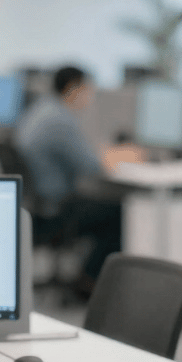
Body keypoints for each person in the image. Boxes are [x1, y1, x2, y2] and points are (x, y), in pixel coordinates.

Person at [16, 65, 137, 293]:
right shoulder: (59, 119)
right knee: (121, 212)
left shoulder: (40, 109)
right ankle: (88, 280)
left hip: (38, 207)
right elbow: (91, 166)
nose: (90, 96)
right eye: (88, 89)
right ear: (73, 89)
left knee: (106, 205)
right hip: (55, 210)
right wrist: (123, 154)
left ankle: (87, 276)